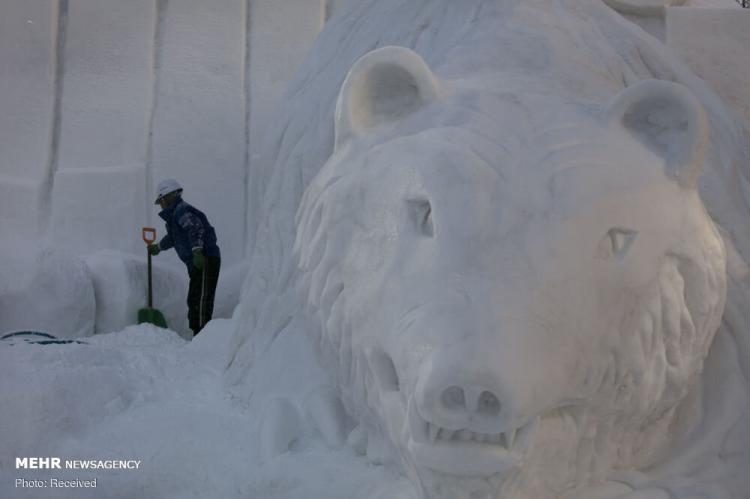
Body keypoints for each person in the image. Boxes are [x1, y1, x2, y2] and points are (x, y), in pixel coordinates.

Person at [148, 179, 221, 337]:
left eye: (161, 201)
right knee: (194, 298)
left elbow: (195, 228)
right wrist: (159, 247)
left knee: (201, 299)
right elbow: (174, 237)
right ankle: (198, 333)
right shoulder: (174, 216)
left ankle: (202, 335)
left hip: (204, 258)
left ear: (168, 197)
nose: (160, 205)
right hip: (197, 261)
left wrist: (197, 251)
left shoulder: (182, 210)